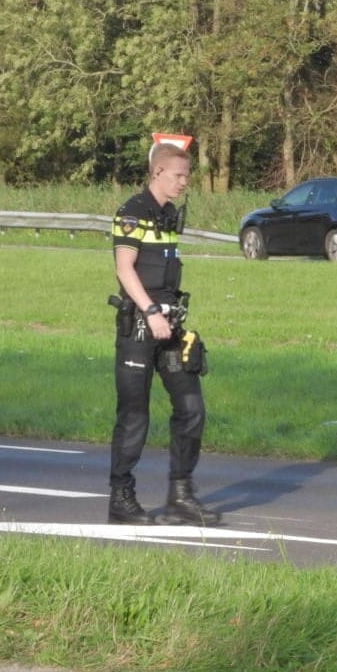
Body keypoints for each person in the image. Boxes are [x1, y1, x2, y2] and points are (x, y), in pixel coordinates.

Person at [107, 143, 221, 526]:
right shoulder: (131, 213)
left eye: (186, 176)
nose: (184, 183)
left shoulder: (170, 214)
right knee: (134, 415)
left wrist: (168, 317)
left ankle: (181, 495)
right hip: (139, 328)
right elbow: (125, 269)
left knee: (191, 409)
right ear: (157, 172)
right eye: (178, 176)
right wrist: (151, 311)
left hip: (170, 327)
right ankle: (121, 497)